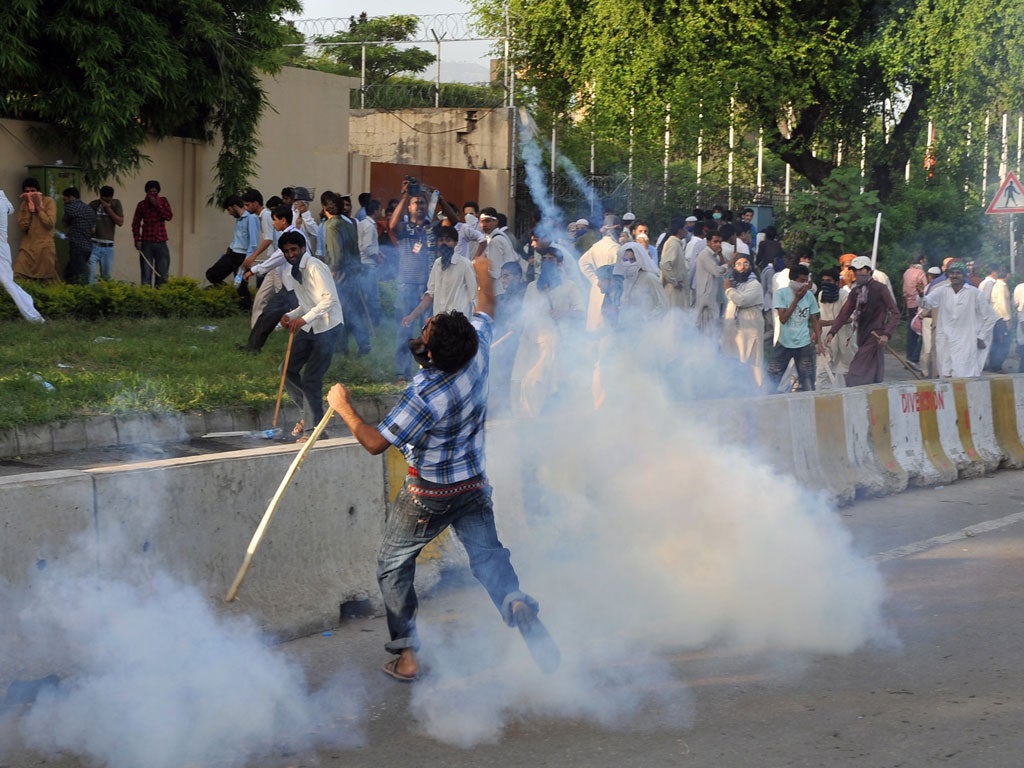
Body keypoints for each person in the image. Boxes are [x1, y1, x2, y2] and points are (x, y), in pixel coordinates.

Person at [325, 254, 558, 681]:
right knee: (487, 556)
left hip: (427, 495)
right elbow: (487, 306)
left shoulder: (424, 392)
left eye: (428, 328)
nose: (426, 324)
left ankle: (407, 656)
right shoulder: (478, 350)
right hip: (472, 484)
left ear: (430, 354)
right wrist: (483, 270)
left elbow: (375, 443)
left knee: (393, 564)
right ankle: (514, 601)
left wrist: (343, 407)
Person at [279, 231, 343, 441]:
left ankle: (315, 430)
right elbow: (306, 305)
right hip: (310, 327)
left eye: (294, 249)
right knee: (286, 369)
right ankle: (308, 414)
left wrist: (303, 319)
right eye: (286, 251)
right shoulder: (293, 273)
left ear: (303, 248)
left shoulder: (315, 266)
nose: (291, 254)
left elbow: (329, 300)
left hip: (328, 327)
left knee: (311, 379)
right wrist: (290, 316)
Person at [824, 256, 900, 386]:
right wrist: (832, 332)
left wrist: (886, 334)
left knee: (855, 375)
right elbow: (844, 313)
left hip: (875, 337)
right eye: (855, 270)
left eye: (861, 270)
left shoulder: (880, 288)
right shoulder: (856, 291)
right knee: (873, 376)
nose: (857, 273)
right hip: (862, 337)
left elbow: (895, 313)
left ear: (869, 270)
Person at [389, 182, 437, 382]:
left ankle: (427, 368)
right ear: (409, 207)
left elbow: (453, 222)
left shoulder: (431, 228)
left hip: (428, 286)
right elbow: (392, 225)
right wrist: (405, 196)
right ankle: (402, 372)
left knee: (429, 329)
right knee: (405, 327)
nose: (419, 205)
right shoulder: (404, 228)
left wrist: (435, 197)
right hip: (407, 285)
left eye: (422, 202)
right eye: (416, 202)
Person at [919, 261, 997, 378]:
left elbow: (990, 317)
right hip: (945, 340)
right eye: (952, 273)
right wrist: (921, 295)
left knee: (964, 376)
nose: (954, 275)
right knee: (945, 374)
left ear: (964, 275)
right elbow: (926, 303)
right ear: (948, 275)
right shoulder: (942, 290)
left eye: (958, 273)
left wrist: (981, 336)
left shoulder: (974, 293)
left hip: (966, 341)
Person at [401, 225, 477, 325]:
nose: (444, 243)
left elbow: (474, 297)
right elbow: (430, 295)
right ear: (437, 243)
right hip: (439, 321)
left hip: (459, 323)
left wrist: (475, 323)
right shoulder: (437, 264)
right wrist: (412, 316)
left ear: (455, 243)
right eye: (441, 240)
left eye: (448, 240)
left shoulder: (465, 265)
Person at [767, 263, 823, 392]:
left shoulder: (809, 296)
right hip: (784, 343)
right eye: (802, 280)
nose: (804, 284)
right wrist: (796, 299)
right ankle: (765, 402)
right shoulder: (781, 294)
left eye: (806, 281)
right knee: (772, 379)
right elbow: (783, 319)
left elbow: (814, 319)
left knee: (808, 381)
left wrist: (819, 342)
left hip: (803, 344)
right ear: (793, 280)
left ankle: (809, 402)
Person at [206, 195, 258, 309]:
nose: (229, 213)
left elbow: (253, 242)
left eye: (229, 210)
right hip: (231, 254)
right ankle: (227, 291)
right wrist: (228, 251)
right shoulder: (238, 220)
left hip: (242, 257)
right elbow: (237, 239)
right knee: (211, 274)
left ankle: (246, 310)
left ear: (234, 206)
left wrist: (249, 259)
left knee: (241, 287)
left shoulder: (251, 218)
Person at [0, 188, 44, 322]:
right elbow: (11, 209)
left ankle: (33, 316)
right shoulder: (2, 197)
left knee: (7, 282)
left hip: (0, 249)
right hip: (3, 247)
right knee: (7, 282)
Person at [721, 254, 765, 387]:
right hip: (736, 331)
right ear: (734, 267)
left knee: (753, 363)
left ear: (750, 267)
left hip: (750, 330)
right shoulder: (736, 284)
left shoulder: (754, 285)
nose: (742, 267)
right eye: (738, 264)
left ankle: (758, 391)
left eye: (746, 263)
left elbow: (741, 301)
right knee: (735, 361)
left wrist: (729, 289)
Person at [14, 178, 58, 281]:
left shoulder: (48, 201)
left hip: (44, 247)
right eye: (27, 191)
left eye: (33, 191)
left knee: (46, 280)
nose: (30, 194)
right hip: (27, 248)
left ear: (38, 191)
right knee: (18, 275)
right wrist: (29, 209)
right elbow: (22, 226)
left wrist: (39, 208)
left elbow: (50, 223)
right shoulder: (24, 204)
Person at [131, 180, 173, 287]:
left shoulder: (163, 201)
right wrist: (137, 239)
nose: (153, 194)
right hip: (146, 243)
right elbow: (136, 223)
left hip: (161, 242)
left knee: (162, 276)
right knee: (146, 276)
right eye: (150, 192)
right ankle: (146, 295)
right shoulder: (141, 205)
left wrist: (157, 205)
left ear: (158, 192)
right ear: (147, 192)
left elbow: (169, 216)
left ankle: (160, 295)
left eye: (155, 192)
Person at [87, 186, 124, 283]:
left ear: (112, 197)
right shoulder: (93, 204)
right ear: (100, 196)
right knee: (90, 277)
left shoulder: (116, 203)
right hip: (93, 244)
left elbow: (120, 222)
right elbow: (87, 221)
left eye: (108, 200)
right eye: (103, 199)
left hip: (108, 246)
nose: (105, 202)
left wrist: (108, 208)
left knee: (106, 279)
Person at [60, 187, 95, 284]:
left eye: (65, 200)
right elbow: (93, 229)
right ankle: (69, 288)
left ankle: (84, 290)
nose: (64, 202)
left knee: (81, 274)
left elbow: (64, 224)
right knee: (69, 273)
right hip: (88, 247)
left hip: (77, 245)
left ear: (71, 197)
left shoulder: (70, 207)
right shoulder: (89, 209)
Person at [901, 254, 927, 366]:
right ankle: (914, 358)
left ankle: (909, 356)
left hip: (909, 304)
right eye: (924, 260)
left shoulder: (907, 272)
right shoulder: (920, 273)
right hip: (918, 305)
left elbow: (904, 290)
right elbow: (925, 289)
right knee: (921, 331)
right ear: (921, 261)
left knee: (911, 330)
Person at [985, 265, 1011, 371]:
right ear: (1007, 274)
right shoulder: (1001, 287)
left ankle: (994, 365)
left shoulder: (998, 285)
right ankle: (996, 366)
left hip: (998, 318)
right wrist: (1007, 320)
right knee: (1002, 343)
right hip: (1001, 319)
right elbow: (1002, 304)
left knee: (998, 342)